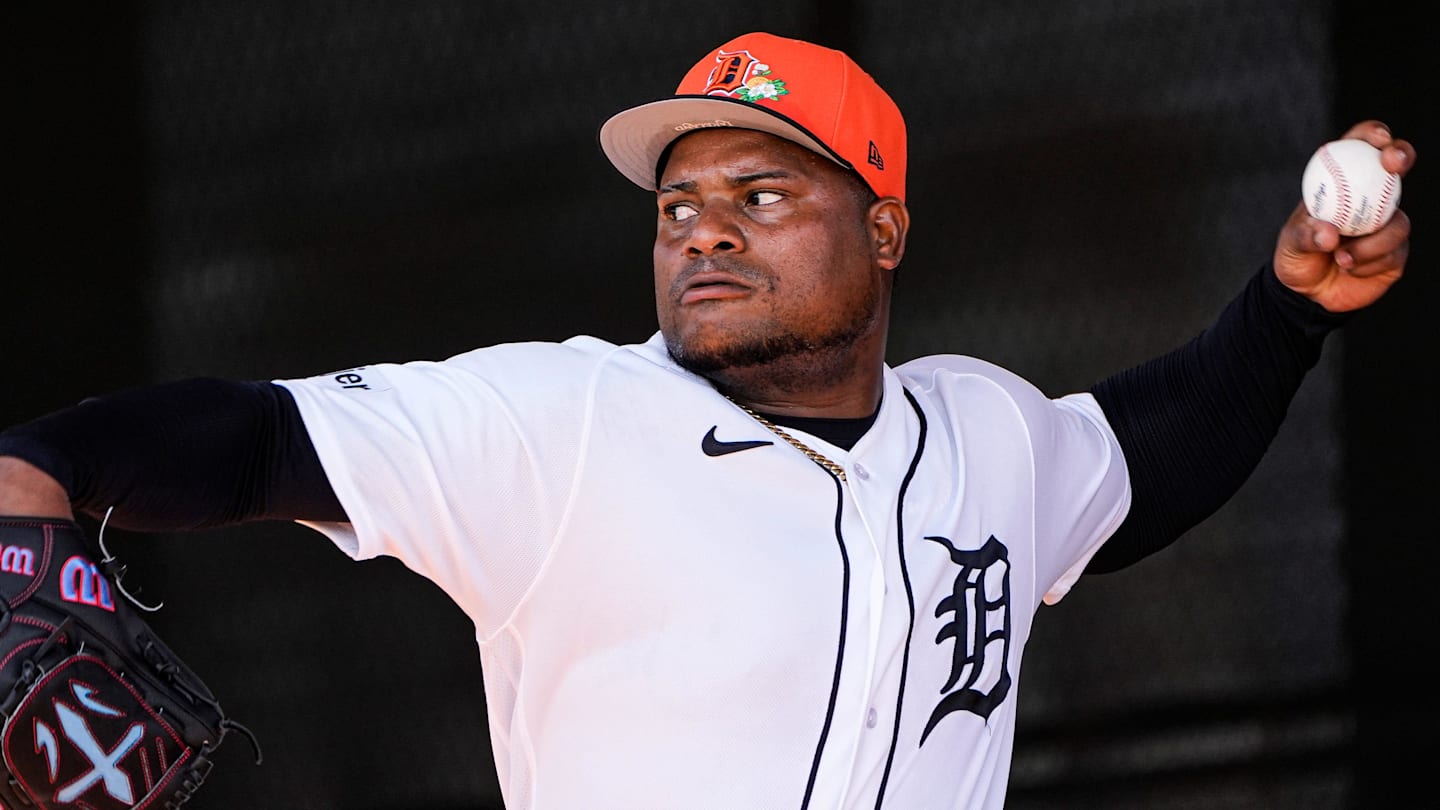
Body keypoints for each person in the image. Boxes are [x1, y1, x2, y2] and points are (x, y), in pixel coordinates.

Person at [0, 30, 1415, 810]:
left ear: (885, 229)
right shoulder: (561, 424)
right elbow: (255, 439)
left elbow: (1146, 458)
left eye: (763, 194)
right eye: (678, 204)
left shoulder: (982, 431)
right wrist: (35, 480)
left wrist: (1290, 310)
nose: (705, 231)